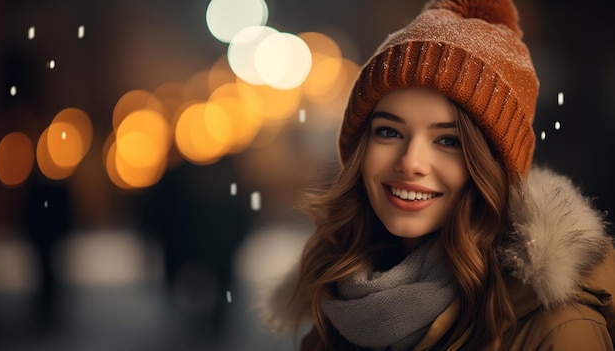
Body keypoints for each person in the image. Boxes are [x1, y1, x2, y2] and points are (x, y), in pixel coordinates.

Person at [263, 0, 615, 350]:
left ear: (491, 165)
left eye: (448, 140)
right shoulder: (335, 298)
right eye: (389, 132)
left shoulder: (557, 329)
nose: (411, 162)